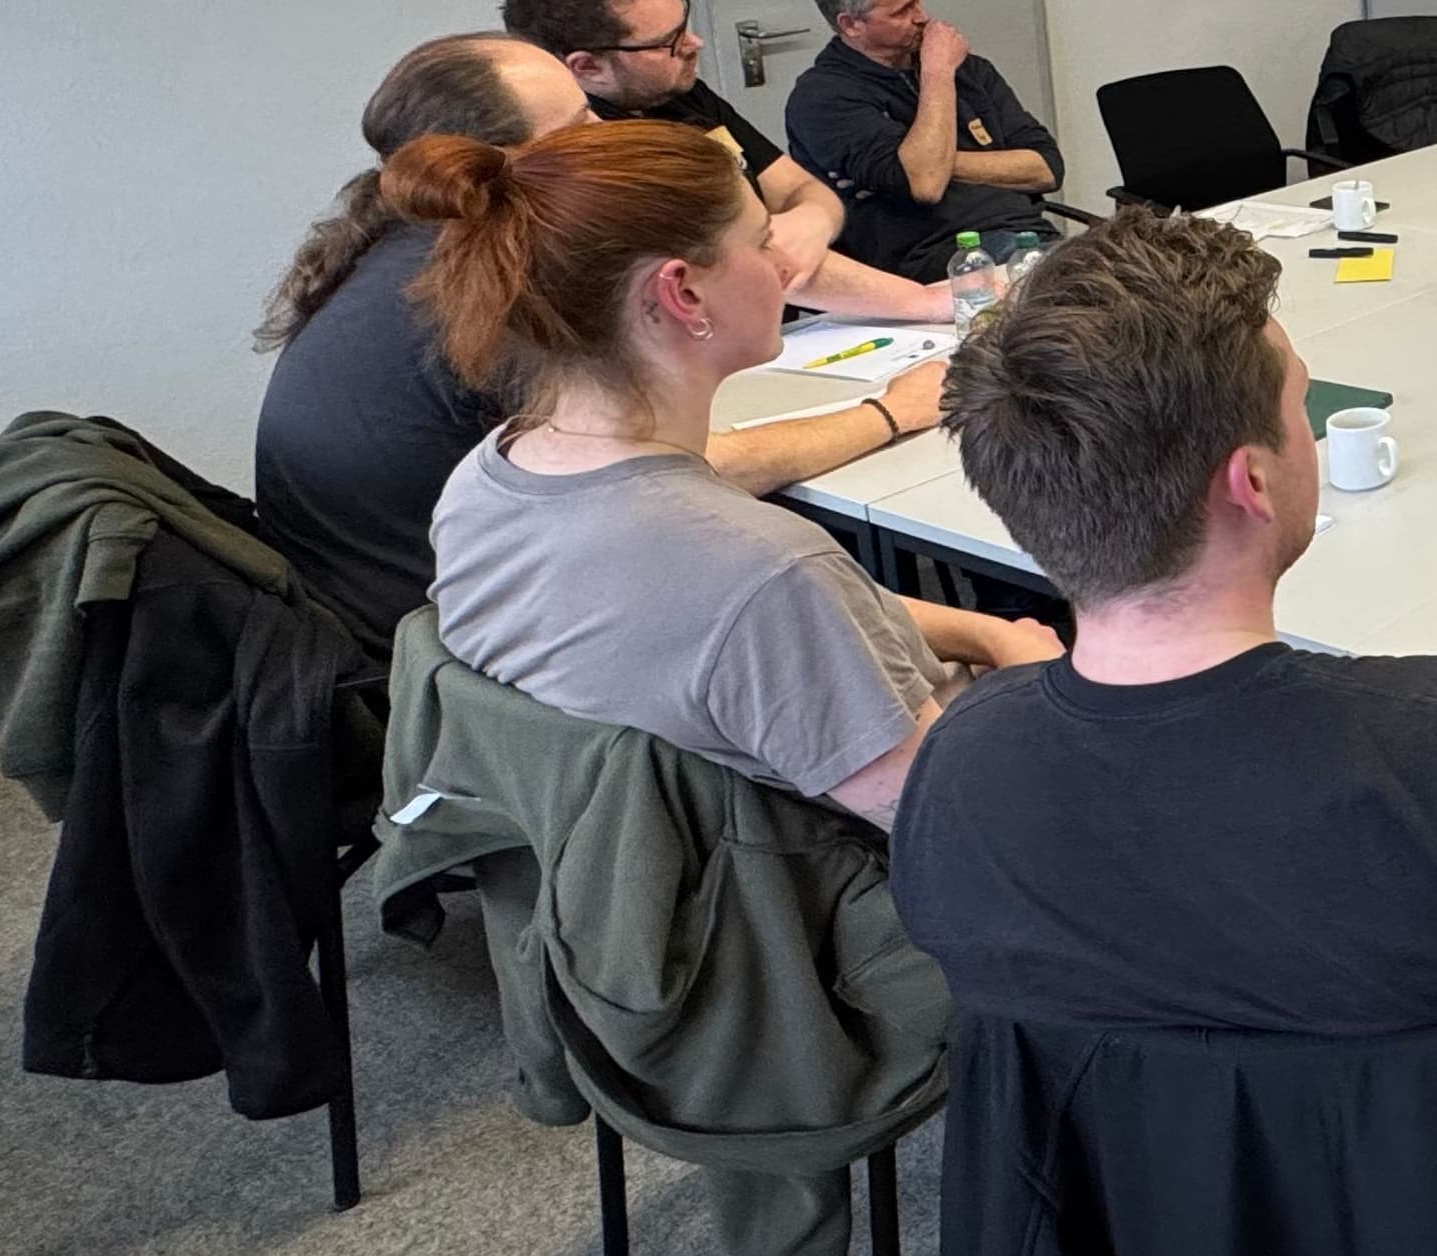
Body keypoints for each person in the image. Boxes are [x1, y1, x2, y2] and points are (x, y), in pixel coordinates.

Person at [891, 211, 1437, 1076]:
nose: (1307, 426)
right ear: (1254, 481)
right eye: (1300, 404)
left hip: (1137, 1202)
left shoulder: (958, 764)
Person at [398, 118, 1057, 825]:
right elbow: (963, 824)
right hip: (884, 871)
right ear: (683, 294)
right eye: (761, 241)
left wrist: (987, 635)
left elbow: (788, 622)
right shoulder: (762, 570)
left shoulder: (489, 478)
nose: (785, 266)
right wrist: (1032, 684)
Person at [253, 34, 960, 646]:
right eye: (578, 119)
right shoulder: (487, 297)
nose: (602, 125)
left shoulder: (415, 241)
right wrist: (889, 412)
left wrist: (925, 301)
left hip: (436, 615)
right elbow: (667, 481)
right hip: (476, 643)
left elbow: (734, 247)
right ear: (505, 160)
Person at [498, 0, 943, 313]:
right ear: (588, 67)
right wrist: (925, 303)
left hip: (785, 320)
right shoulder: (592, 153)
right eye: (669, 42)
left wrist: (811, 220)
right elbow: (734, 257)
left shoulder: (679, 93)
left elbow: (799, 187)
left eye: (684, 24)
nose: (695, 44)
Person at [779, 0, 1066, 281]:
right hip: (933, 261)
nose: (922, 17)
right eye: (901, 11)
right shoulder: (822, 97)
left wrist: (936, 161)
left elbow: (1046, 168)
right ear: (851, 24)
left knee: (1129, 268)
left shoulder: (970, 70)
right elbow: (927, 183)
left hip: (1026, 236)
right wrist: (937, 74)